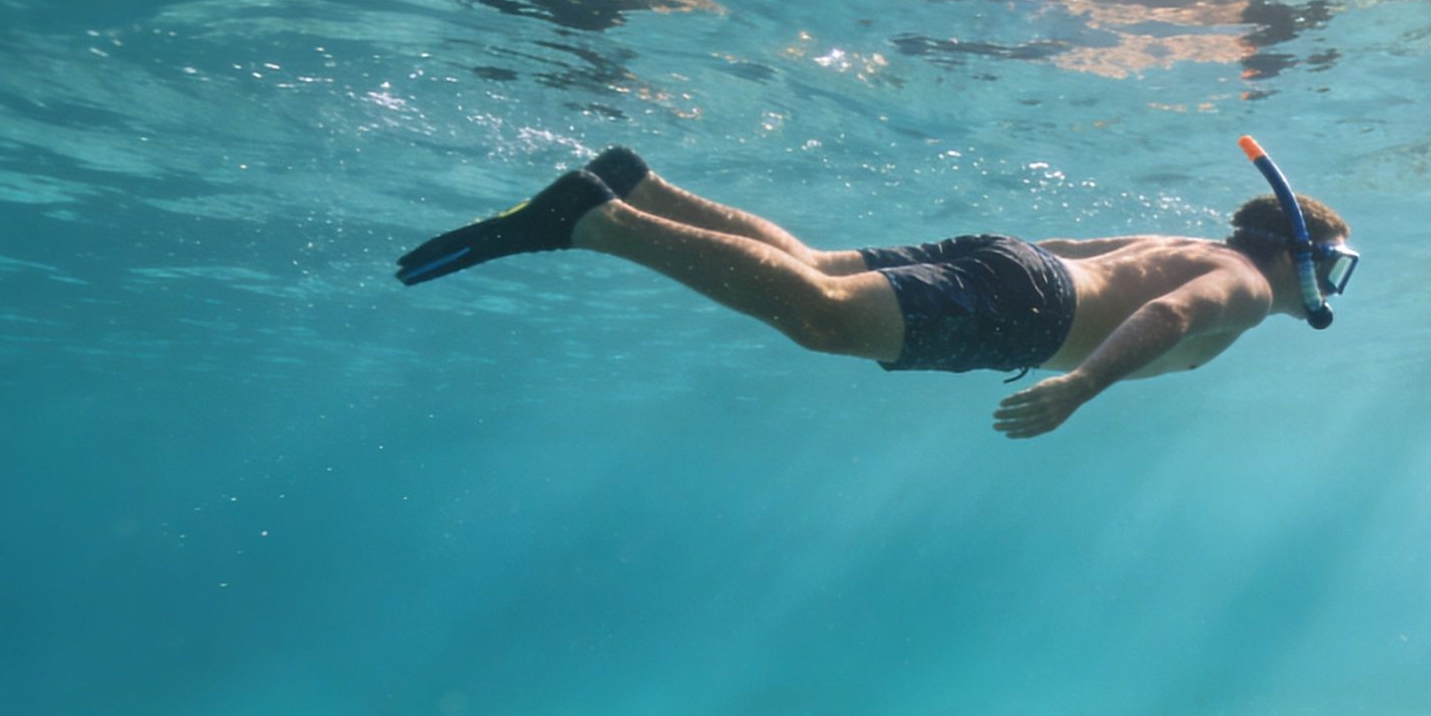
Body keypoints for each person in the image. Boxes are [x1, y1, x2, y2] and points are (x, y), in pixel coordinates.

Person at [395, 142, 1356, 439]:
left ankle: (641, 184)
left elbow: (1070, 245)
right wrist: (1079, 386)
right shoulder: (1233, 279)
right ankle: (599, 219)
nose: (1333, 288)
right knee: (821, 321)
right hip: (1034, 306)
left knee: (809, 266)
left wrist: (983, 263)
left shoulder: (1192, 243)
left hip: (1020, 267)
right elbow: (1167, 315)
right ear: (1300, 254)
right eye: (1338, 267)